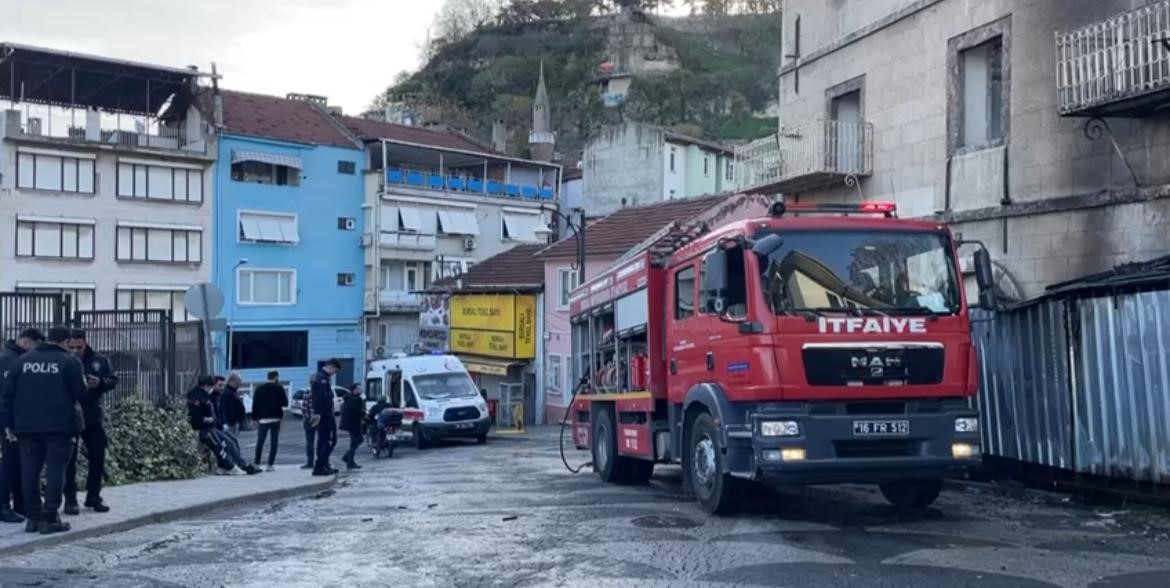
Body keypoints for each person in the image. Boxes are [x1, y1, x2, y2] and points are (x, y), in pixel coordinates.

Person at [0, 326, 85, 534]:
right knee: (56, 471)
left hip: (26, 427)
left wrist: (8, 425)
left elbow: (7, 396)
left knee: (30, 472)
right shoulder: (69, 362)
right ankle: (49, 517)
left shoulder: (23, 361)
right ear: (65, 342)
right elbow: (81, 393)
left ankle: (33, 517)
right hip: (60, 427)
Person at [63, 329, 116, 515]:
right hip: (68, 416)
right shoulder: (63, 360)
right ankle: (70, 498)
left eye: (79, 346)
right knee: (69, 460)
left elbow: (112, 380)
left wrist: (100, 383)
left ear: (85, 343)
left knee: (97, 455)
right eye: (72, 347)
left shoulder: (99, 360)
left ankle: (93, 496)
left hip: (92, 416)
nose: (76, 350)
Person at [0, 328, 44, 524]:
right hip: (9, 420)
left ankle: (20, 505)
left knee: (18, 463)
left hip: (14, 419)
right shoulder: (10, 360)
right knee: (10, 464)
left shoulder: (13, 357)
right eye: (35, 346)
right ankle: (3, 506)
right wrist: (8, 424)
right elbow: (7, 394)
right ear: (26, 342)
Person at [186, 376, 259, 476]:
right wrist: (207, 419)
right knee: (222, 445)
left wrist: (218, 422)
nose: (221, 388)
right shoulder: (198, 396)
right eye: (218, 385)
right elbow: (196, 413)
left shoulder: (209, 396)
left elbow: (216, 412)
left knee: (231, 441)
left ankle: (236, 464)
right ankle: (231, 466)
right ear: (207, 386)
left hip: (212, 426)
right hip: (206, 427)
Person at [310, 359, 341, 476]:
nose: (334, 373)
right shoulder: (322, 378)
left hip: (321, 413)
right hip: (324, 414)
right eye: (335, 370)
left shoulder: (320, 377)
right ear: (331, 367)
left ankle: (323, 464)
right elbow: (321, 398)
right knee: (329, 440)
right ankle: (320, 465)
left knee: (322, 440)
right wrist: (324, 413)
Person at [251, 371, 287, 471]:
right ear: (276, 377)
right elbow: (285, 403)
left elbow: (255, 405)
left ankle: (256, 463)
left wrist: (254, 418)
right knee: (274, 442)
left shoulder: (259, 389)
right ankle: (270, 465)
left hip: (263, 419)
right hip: (276, 418)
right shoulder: (279, 388)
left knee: (260, 442)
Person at [339, 383, 365, 470]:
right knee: (355, 442)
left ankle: (348, 458)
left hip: (351, 424)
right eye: (359, 389)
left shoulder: (350, 398)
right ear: (354, 390)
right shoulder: (354, 399)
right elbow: (357, 412)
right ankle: (349, 462)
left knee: (358, 440)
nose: (360, 390)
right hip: (354, 424)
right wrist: (364, 413)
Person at [222, 373, 246, 437]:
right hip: (232, 423)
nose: (239, 385)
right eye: (237, 383)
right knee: (232, 440)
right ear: (233, 381)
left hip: (234, 423)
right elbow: (229, 409)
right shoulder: (228, 393)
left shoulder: (232, 392)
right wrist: (233, 422)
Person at [300, 377, 316, 470]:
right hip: (319, 419)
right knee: (322, 441)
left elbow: (304, 408)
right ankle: (323, 461)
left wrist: (307, 417)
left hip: (309, 419)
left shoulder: (307, 393)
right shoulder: (321, 392)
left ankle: (310, 462)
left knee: (310, 442)